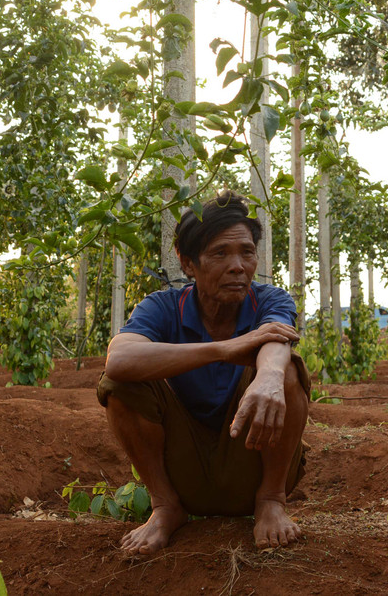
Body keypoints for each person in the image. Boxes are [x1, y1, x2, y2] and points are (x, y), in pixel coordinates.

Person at [97, 192, 310, 555]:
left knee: (286, 369)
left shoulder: (270, 299)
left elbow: (276, 341)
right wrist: (224, 349)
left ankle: (271, 501)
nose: (238, 266)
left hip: (250, 463)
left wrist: (270, 376)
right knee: (120, 384)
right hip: (185, 472)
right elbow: (118, 360)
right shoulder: (162, 307)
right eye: (220, 253)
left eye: (246, 252)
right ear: (188, 263)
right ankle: (165, 507)